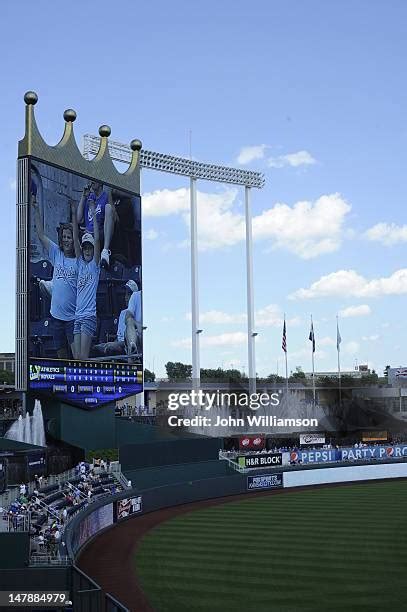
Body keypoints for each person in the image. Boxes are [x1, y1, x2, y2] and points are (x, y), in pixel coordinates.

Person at [32, 191, 78, 358]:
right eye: (64, 237)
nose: (66, 240)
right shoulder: (56, 253)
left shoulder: (79, 260)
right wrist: (36, 209)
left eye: (69, 237)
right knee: (62, 358)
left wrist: (74, 213)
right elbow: (40, 234)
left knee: (77, 358)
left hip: (72, 318)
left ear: (75, 240)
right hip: (56, 318)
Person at [71, 201, 101, 360]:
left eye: (90, 248)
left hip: (89, 315)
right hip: (77, 316)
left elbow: (97, 240)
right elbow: (75, 239)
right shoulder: (80, 264)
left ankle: (86, 385)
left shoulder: (94, 266)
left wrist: (93, 213)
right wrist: (74, 214)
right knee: (76, 357)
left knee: (82, 357)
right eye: (86, 248)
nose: (88, 250)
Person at [94, 280, 141, 357]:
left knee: (109, 348)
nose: (126, 297)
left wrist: (116, 344)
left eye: (129, 294)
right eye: (125, 294)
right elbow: (119, 336)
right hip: (119, 343)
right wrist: (112, 343)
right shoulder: (122, 313)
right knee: (96, 348)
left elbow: (129, 338)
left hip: (127, 345)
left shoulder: (138, 313)